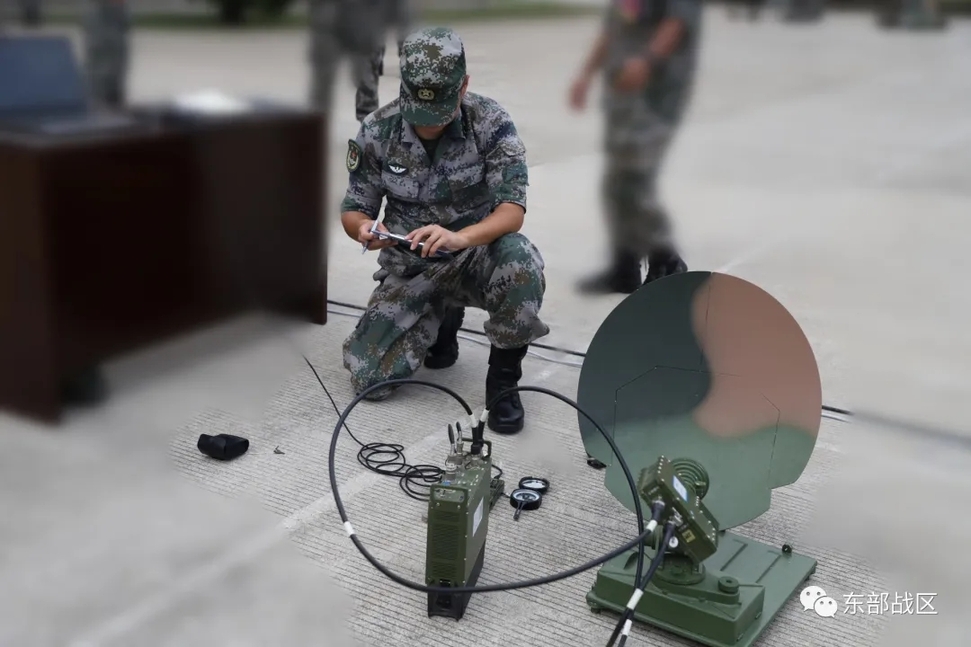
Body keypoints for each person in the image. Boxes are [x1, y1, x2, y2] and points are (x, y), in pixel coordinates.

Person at [339, 26, 548, 435]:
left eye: (438, 111)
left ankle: (503, 383)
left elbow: (512, 211)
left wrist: (461, 238)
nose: (428, 124)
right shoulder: (378, 129)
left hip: (473, 257)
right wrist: (363, 228)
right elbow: (354, 208)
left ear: (463, 86)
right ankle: (441, 322)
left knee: (520, 260)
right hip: (411, 266)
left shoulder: (490, 122)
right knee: (370, 380)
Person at [569, 0, 703, 294]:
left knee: (634, 178)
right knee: (616, 180)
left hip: (657, 92)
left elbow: (677, 23)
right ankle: (625, 264)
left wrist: (646, 61)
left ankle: (666, 259)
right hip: (623, 91)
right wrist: (586, 75)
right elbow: (614, 27)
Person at [308, 0, 401, 123]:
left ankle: (371, 128)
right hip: (329, 25)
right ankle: (315, 126)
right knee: (322, 88)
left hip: (363, 24)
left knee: (366, 85)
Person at [82, 0, 130, 109]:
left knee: (114, 62)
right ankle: (100, 103)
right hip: (104, 11)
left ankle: (109, 102)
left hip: (113, 13)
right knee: (102, 62)